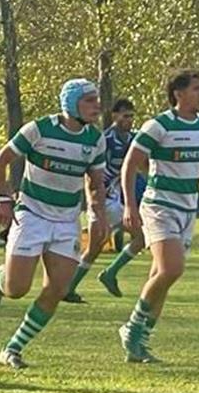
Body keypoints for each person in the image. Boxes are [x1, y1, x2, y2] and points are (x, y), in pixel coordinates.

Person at [0, 79, 109, 369]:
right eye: (89, 100)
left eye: (97, 100)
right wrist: (3, 198)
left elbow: (95, 181)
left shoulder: (95, 139)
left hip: (66, 221)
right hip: (32, 214)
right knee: (17, 289)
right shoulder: (39, 129)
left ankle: (12, 348)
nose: (97, 106)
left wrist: (97, 215)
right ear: (71, 103)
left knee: (58, 289)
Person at [114, 68, 199, 364]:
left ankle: (138, 344)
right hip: (159, 206)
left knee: (161, 277)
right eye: (197, 88)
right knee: (172, 269)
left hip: (187, 210)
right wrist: (129, 207)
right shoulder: (158, 125)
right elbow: (130, 165)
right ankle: (132, 330)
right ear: (179, 93)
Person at [60, 97, 147, 303]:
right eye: (125, 116)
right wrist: (94, 201)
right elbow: (91, 172)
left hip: (114, 201)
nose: (129, 120)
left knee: (137, 238)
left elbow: (140, 165)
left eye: (132, 117)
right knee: (97, 247)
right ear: (114, 116)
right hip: (101, 200)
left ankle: (100, 277)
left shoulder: (133, 139)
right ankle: (86, 281)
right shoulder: (105, 139)